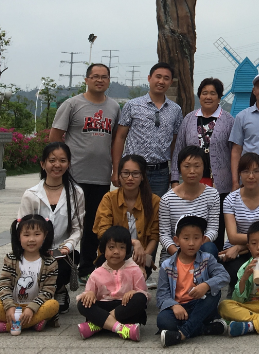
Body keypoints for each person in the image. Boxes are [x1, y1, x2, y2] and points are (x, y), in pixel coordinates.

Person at [50, 62, 120, 279]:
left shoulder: (114, 107)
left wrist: (115, 170)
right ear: (87, 79)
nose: (100, 80)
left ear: (109, 81)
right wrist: (57, 166)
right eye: (95, 76)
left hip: (100, 176)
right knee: (67, 222)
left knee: (93, 225)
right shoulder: (72, 104)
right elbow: (55, 137)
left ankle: (87, 268)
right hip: (74, 175)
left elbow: (116, 141)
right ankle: (58, 266)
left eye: (104, 77)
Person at [18, 141, 85, 313]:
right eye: (52, 160)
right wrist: (35, 248)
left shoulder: (76, 193)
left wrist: (67, 246)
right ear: (43, 164)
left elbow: (77, 228)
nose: (57, 165)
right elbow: (21, 228)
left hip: (61, 254)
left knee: (70, 261)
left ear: (69, 164)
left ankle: (59, 289)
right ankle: (43, 294)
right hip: (34, 252)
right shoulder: (31, 195)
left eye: (62, 160)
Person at [155, 215, 229, 347]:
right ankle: (206, 328)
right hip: (179, 309)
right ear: (176, 240)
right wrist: (174, 305)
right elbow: (161, 294)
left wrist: (206, 285)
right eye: (186, 238)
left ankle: (182, 334)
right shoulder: (167, 265)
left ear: (203, 240)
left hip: (200, 305)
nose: (191, 243)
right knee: (163, 320)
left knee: (214, 294)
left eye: (196, 238)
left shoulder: (207, 259)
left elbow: (224, 276)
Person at [113, 62, 183, 197]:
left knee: (157, 208)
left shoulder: (176, 110)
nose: (161, 81)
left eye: (166, 78)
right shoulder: (132, 105)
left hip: (160, 173)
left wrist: (174, 173)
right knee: (131, 207)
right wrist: (116, 170)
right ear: (149, 78)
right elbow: (120, 137)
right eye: (158, 76)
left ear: (170, 82)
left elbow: (175, 143)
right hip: (133, 171)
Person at [0, 215, 60, 334]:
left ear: (45, 235)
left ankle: (6, 326)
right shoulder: (11, 258)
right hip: (14, 306)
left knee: (53, 305)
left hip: (37, 307)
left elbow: (48, 291)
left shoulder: (50, 262)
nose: (31, 239)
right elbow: (4, 285)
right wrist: (9, 306)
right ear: (19, 236)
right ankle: (33, 323)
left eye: (37, 234)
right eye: (26, 235)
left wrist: (31, 308)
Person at [219, 152, 259, 287]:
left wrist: (239, 247)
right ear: (239, 173)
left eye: (256, 171)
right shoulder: (230, 199)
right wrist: (239, 246)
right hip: (237, 250)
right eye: (246, 171)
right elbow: (232, 237)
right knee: (237, 273)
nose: (251, 176)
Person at [76, 226, 148, 341]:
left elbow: (145, 294)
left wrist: (134, 292)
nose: (116, 251)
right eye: (111, 247)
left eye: (122, 247)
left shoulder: (134, 270)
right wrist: (90, 293)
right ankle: (121, 328)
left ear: (127, 250)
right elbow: (88, 294)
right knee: (82, 303)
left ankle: (98, 324)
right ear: (103, 250)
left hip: (124, 308)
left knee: (140, 299)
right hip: (104, 306)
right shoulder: (96, 273)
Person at [93, 155, 160, 273]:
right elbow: (103, 232)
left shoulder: (154, 201)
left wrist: (143, 259)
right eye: (125, 173)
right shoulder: (109, 198)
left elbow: (154, 236)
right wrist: (134, 242)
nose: (130, 178)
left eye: (135, 173)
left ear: (142, 176)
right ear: (119, 175)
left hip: (141, 256)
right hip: (113, 254)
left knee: (137, 278)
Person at [172, 77, 235, 195]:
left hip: (221, 184)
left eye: (213, 93)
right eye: (204, 93)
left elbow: (235, 153)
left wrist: (236, 182)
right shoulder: (188, 119)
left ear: (219, 97)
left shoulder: (229, 121)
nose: (208, 97)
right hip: (192, 181)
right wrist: (174, 180)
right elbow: (178, 150)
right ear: (199, 96)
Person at [159, 146, 221, 260]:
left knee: (210, 248)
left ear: (204, 167)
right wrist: (180, 255)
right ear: (179, 168)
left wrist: (196, 249)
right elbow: (164, 235)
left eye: (197, 166)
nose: (192, 171)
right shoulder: (167, 199)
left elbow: (213, 229)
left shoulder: (212, 194)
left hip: (201, 249)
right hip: (174, 254)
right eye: (187, 166)